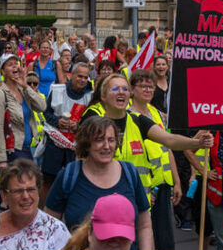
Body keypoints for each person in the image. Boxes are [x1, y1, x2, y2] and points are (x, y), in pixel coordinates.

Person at [45, 117, 153, 250]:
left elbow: (144, 225)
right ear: (86, 144)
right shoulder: (69, 176)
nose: (107, 146)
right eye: (99, 140)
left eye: (111, 140)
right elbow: (49, 228)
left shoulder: (130, 173)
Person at [82, 73, 213, 196]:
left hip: (137, 201)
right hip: (104, 199)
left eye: (125, 89)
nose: (121, 92)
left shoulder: (138, 121)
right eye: (115, 89)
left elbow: (170, 140)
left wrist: (198, 142)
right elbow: (81, 160)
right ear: (103, 96)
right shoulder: (94, 125)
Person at [128, 69, 182, 250]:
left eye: (150, 86)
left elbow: (167, 147)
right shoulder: (127, 115)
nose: (148, 89)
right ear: (132, 89)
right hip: (144, 187)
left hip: (163, 183)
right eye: (142, 86)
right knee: (145, 239)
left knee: (165, 240)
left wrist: (176, 181)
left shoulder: (155, 113)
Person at [40, 61, 93, 189]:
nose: (82, 80)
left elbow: (92, 120)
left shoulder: (90, 96)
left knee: (73, 183)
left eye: (85, 77)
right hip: (54, 145)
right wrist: (57, 121)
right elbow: (46, 114)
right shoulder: (57, 90)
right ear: (72, 75)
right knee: (49, 183)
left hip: (76, 148)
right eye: (79, 76)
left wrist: (79, 125)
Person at [0, 54, 47, 168]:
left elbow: (42, 107)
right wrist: (1, 158)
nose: (15, 67)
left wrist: (26, 86)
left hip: (30, 148)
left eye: (16, 64)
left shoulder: (23, 90)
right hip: (13, 151)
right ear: (3, 72)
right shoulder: (0, 95)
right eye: (10, 65)